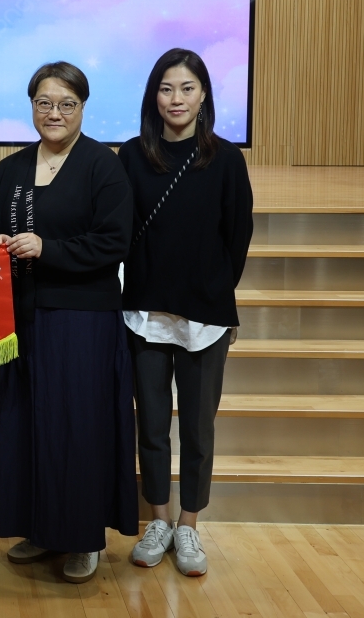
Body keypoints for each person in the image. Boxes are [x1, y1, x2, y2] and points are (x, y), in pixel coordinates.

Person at [0, 61, 139, 585]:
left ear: (83, 108)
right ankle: (40, 527)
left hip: (80, 320)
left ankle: (83, 536)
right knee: (27, 425)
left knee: (77, 428)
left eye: (67, 104)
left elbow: (113, 241)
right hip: (19, 317)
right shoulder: (12, 168)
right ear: (31, 106)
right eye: (44, 103)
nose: (54, 113)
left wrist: (48, 248)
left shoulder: (102, 166)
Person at [119, 48, 253, 578]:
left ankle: (190, 525)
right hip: (146, 313)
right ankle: (158, 520)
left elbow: (237, 236)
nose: (176, 98)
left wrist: (216, 293)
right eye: (166, 88)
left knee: (198, 428)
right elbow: (121, 231)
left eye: (187, 88)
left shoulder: (226, 159)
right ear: (153, 96)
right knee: (151, 426)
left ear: (203, 96)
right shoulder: (132, 156)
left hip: (204, 317)